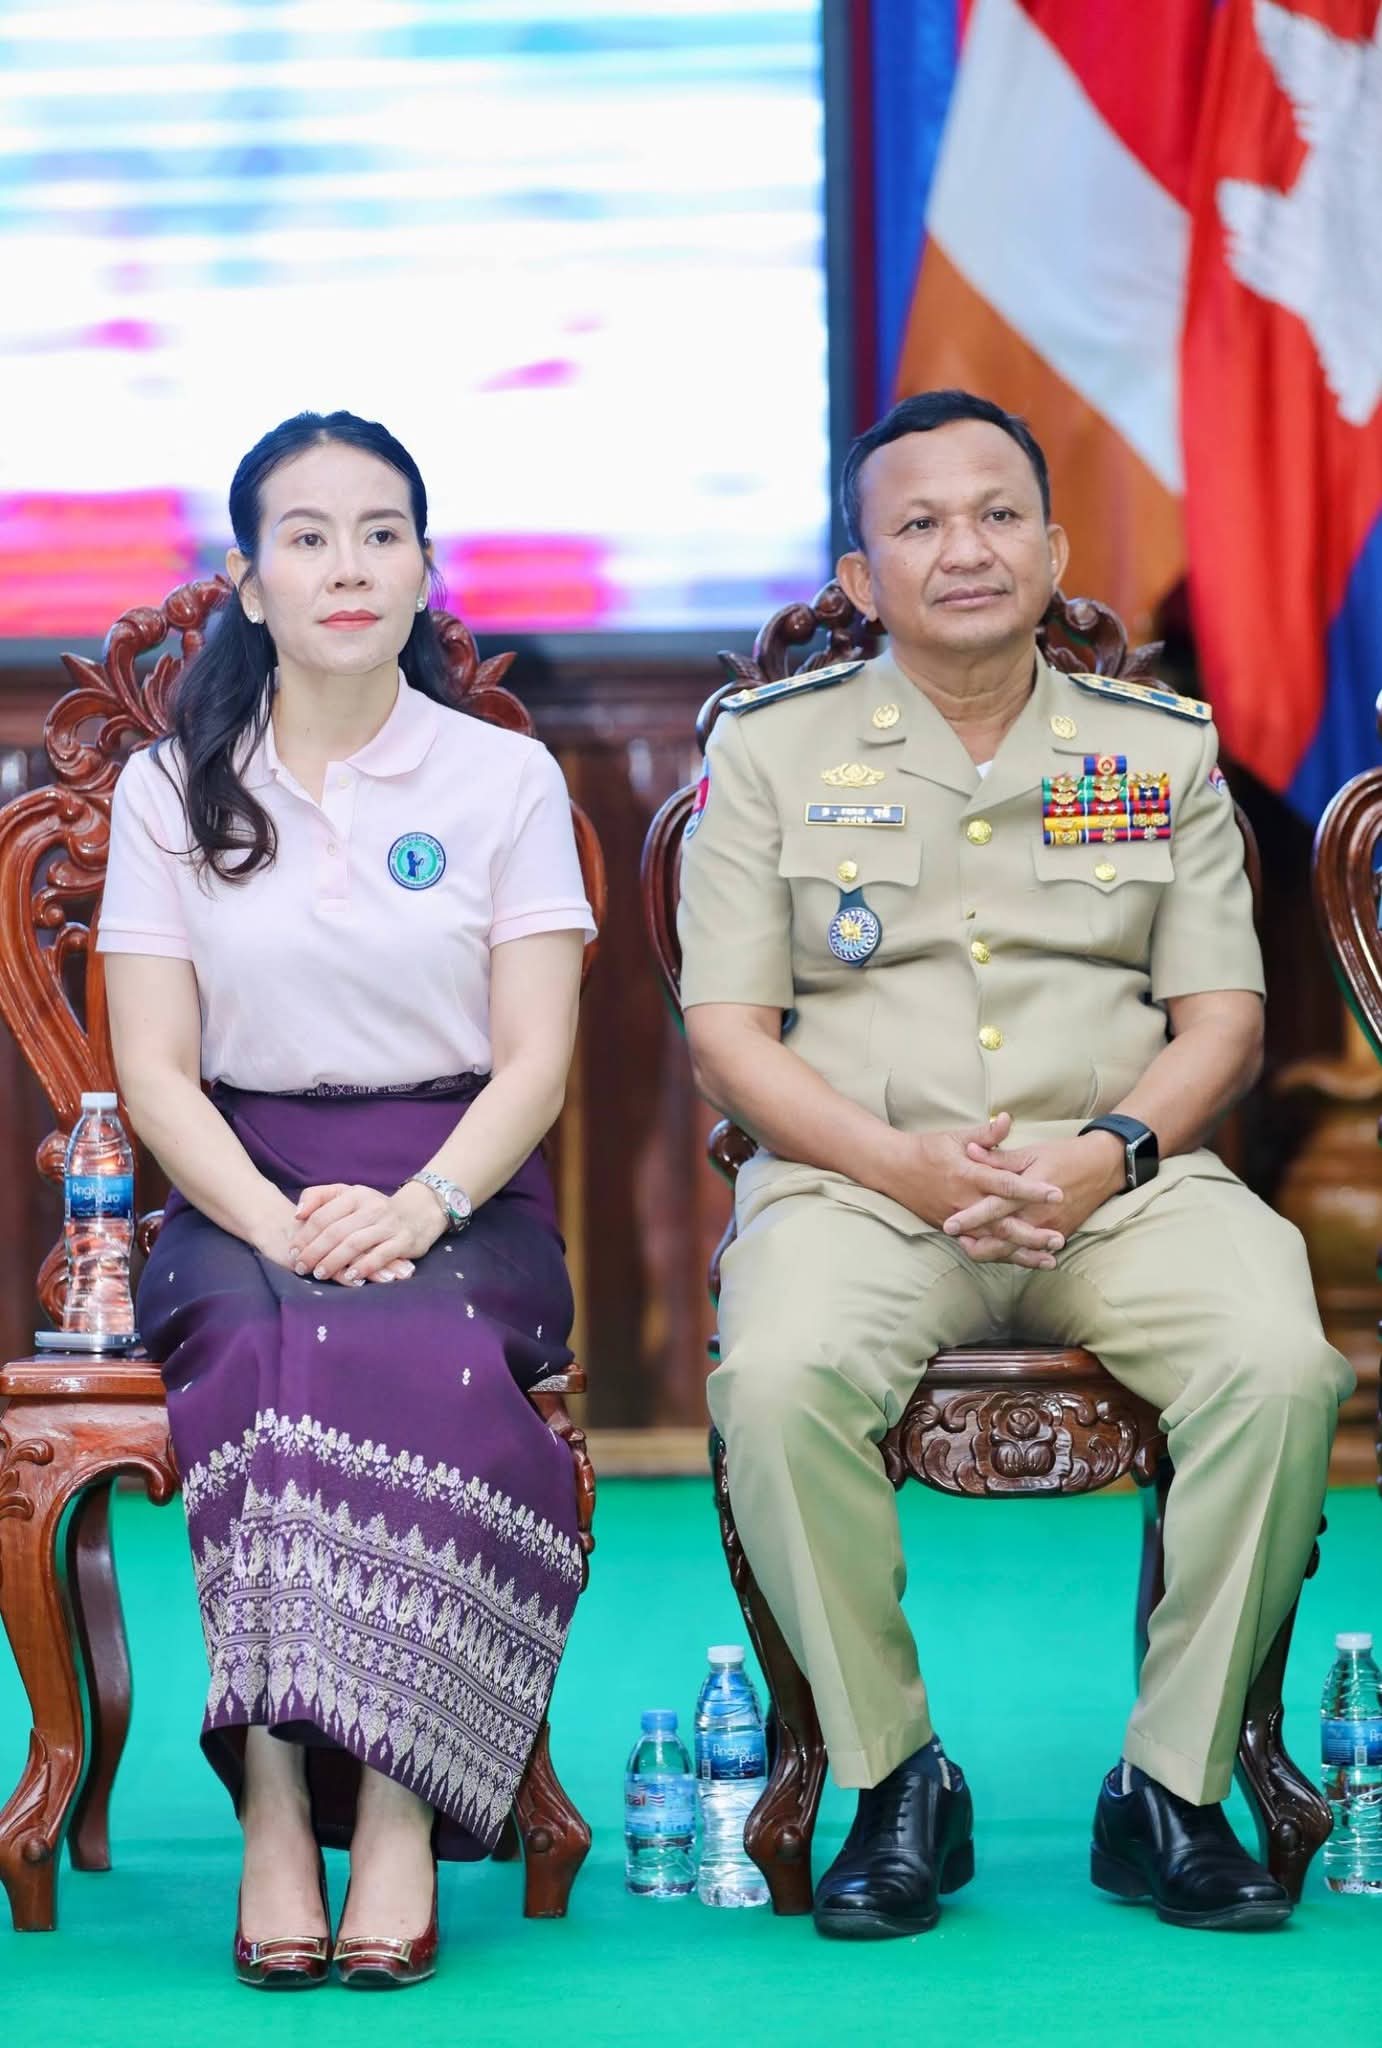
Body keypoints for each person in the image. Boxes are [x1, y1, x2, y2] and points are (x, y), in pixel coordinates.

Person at [677, 388, 1352, 1941]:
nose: (963, 549)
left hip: (1118, 1184)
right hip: (858, 1186)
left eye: (995, 515)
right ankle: (892, 1778)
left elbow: (1224, 1022)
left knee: (1277, 1366)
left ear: (1050, 549)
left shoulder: (1156, 748)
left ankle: (1169, 1786)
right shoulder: (769, 752)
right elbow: (726, 1037)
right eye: (918, 524)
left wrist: (1107, 1155)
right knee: (771, 1383)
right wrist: (898, 1167)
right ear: (861, 578)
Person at [98, 410, 595, 1989]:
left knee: (412, 1346)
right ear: (249, 582)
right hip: (233, 1183)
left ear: (425, 570)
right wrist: (272, 1220)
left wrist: (422, 1206)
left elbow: (536, 1062)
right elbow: (154, 1071)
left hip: (465, 1182)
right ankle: (269, 1795)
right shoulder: (171, 790)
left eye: (381, 533)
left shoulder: (502, 777)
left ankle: (395, 1799)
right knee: (264, 1343)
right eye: (306, 537)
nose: (347, 566)